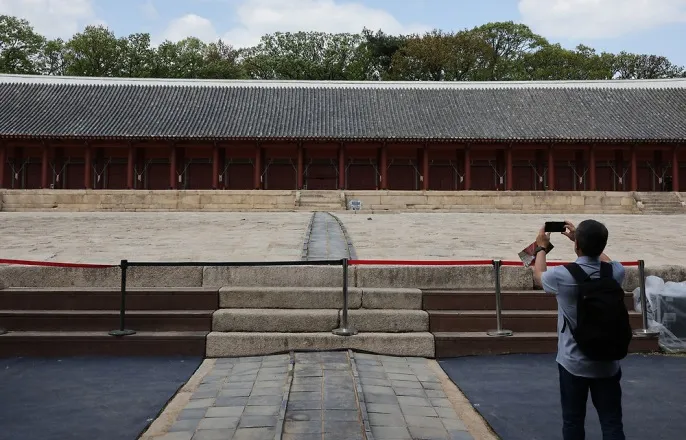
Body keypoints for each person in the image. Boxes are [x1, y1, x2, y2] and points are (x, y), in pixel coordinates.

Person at [532, 219, 626, 440]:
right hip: (608, 360)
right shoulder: (616, 272)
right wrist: (581, 240)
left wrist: (540, 248)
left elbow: (539, 275)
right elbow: (607, 261)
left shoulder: (562, 275)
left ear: (577, 246)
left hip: (573, 361)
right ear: (603, 245)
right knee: (612, 422)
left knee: (573, 421)